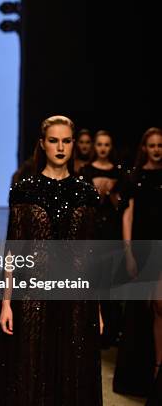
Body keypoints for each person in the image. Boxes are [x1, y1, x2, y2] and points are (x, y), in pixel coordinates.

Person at [0, 115, 103, 405]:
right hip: (32, 295)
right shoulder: (25, 189)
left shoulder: (86, 193)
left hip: (76, 295)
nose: (60, 147)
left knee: (72, 368)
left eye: (66, 141)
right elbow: (13, 250)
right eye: (54, 140)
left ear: (74, 144)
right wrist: (6, 302)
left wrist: (99, 308)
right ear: (43, 144)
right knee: (30, 367)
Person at [113, 127, 162, 398]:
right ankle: (138, 376)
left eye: (160, 145)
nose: (156, 149)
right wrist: (129, 252)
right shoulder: (133, 177)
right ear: (145, 147)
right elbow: (127, 217)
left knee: (159, 307)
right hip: (141, 249)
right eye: (152, 145)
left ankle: (157, 370)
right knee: (138, 312)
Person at [79, 130, 125, 347]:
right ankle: (93, 329)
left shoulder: (119, 172)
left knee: (112, 284)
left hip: (112, 233)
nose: (103, 148)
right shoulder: (87, 171)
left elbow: (123, 206)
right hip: (92, 232)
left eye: (107, 144)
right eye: (100, 144)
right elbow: (84, 205)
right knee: (93, 282)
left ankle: (112, 330)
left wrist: (112, 195)